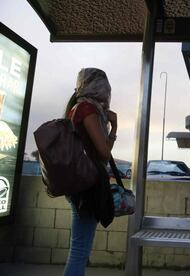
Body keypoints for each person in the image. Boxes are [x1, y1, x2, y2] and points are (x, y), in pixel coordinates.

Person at [63, 68, 117, 276]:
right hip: (86, 186)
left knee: (79, 250)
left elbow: (102, 152)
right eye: (104, 84)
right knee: (79, 252)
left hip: (78, 184)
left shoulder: (78, 108)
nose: (107, 90)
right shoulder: (87, 109)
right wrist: (114, 127)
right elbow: (104, 153)